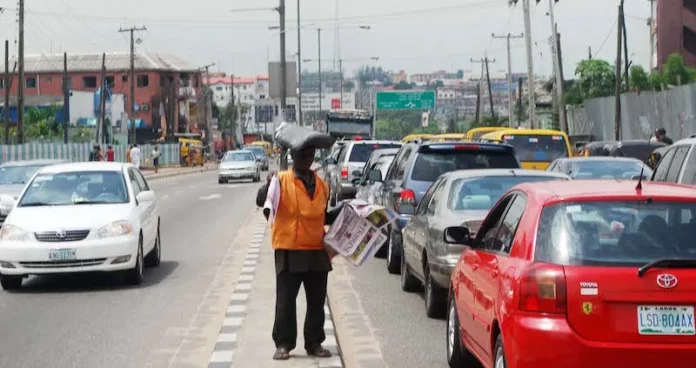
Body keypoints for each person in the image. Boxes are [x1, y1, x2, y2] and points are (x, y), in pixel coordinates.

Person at [256, 146, 342, 361]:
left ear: (314, 156)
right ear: (292, 156)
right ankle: (283, 344)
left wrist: (346, 210)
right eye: (301, 155)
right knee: (286, 300)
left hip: (316, 250)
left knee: (316, 301)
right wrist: (268, 184)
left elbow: (324, 216)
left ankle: (314, 343)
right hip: (289, 249)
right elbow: (261, 201)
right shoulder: (281, 179)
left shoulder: (322, 185)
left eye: (309, 155)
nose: (306, 159)